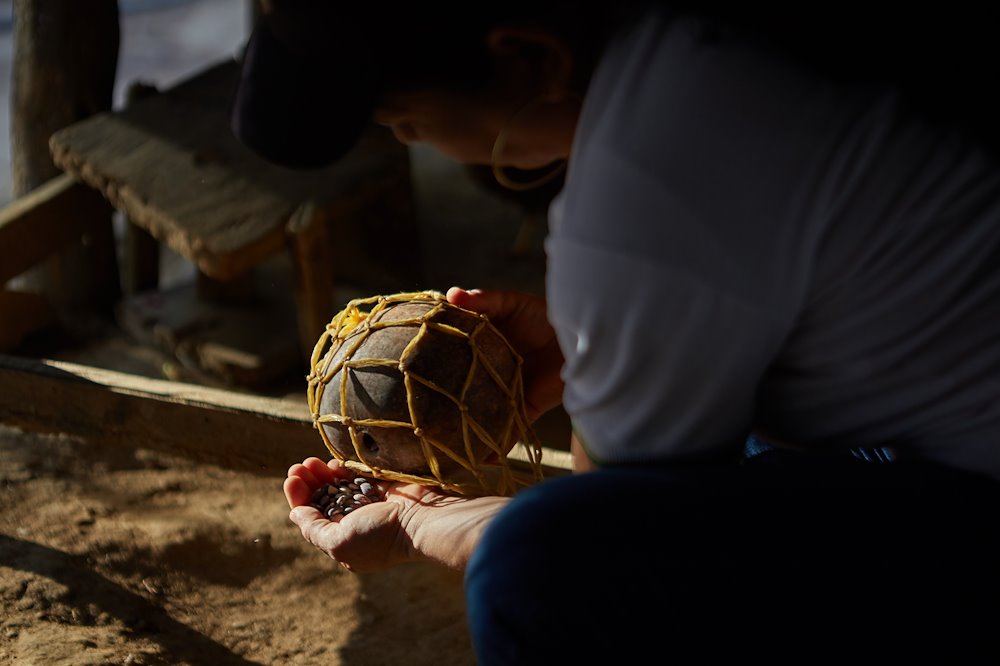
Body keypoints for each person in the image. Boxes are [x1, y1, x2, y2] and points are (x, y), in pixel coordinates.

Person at [230, 1, 1000, 661]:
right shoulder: (698, 53)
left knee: (536, 570)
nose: (409, 140)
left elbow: (611, 533)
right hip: (936, 439)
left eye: (407, 121)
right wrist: (602, 343)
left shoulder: (648, 174)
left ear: (529, 60)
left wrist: (427, 520)